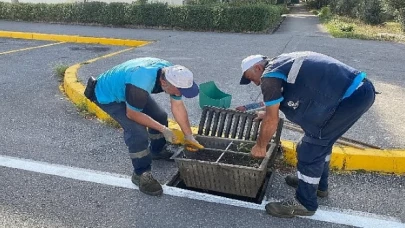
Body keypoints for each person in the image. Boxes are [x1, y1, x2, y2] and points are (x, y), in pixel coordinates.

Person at [239, 51, 376, 218]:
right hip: (357, 91)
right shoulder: (281, 62)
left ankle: (305, 203)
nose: (254, 83)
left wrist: (260, 146)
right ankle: (317, 185)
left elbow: (272, 120)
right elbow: (283, 98)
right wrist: (267, 113)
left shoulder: (269, 77)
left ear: (258, 67)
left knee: (310, 149)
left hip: (350, 98)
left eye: (251, 78)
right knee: (320, 143)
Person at [84, 57, 204, 196]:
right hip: (108, 95)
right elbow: (132, 114)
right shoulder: (141, 82)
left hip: (129, 89)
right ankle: (141, 174)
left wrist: (188, 135)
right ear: (164, 82)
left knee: (160, 116)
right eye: (179, 91)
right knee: (137, 132)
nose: (180, 94)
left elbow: (177, 106)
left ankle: (157, 151)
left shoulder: (172, 73)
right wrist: (163, 129)